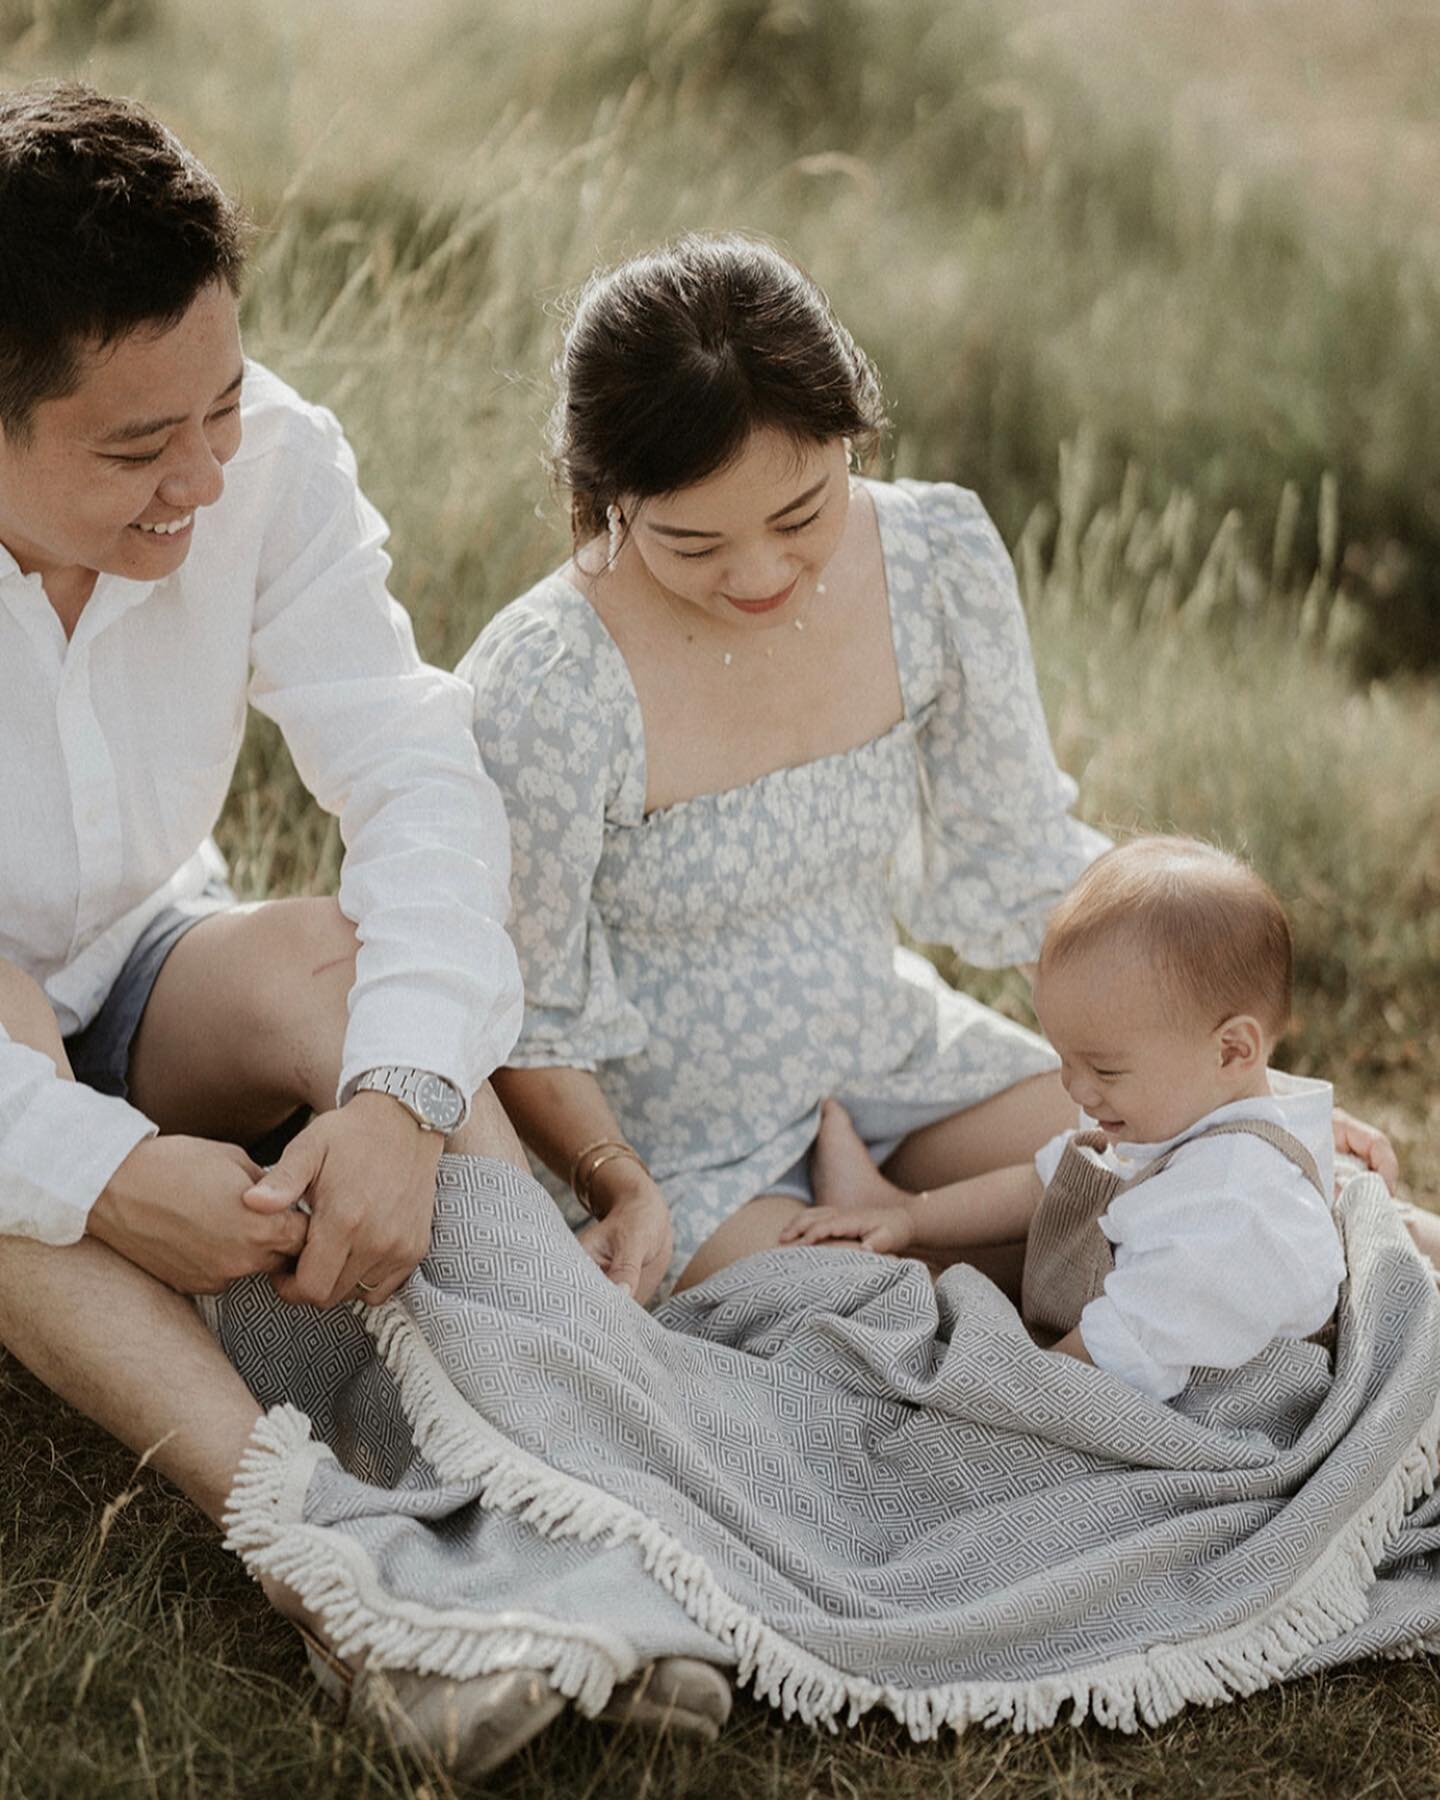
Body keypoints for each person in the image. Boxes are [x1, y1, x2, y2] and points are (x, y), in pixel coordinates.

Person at [0, 83, 721, 1775]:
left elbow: (414, 773)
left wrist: (399, 1094)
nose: (200, 476)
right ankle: (346, 1590)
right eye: (132, 447)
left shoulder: (268, 472)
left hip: (137, 965)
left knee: (348, 967)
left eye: (222, 407)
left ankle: (587, 1494)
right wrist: (94, 1173)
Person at [460, 233, 1397, 1304]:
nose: (761, 572)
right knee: (872, 1323)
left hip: (893, 1054)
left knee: (1225, 1187)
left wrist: (1234, 1088)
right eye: (693, 544)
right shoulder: (549, 684)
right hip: (675, 1147)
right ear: (607, 496)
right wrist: (617, 1181)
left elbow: (1018, 858)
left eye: (802, 512)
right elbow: (521, 1008)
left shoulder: (933, 563)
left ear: (853, 436)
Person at [781, 837, 1348, 1401]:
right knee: (980, 1255)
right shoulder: (1189, 1107)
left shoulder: (1229, 1212)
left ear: (1230, 1051)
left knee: (918, 1361)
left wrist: (980, 1394)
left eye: (1104, 1069)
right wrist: (909, 1217)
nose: (1074, 1087)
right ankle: (888, 1210)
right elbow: (1047, 1185)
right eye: (1064, 1059)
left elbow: (1089, 1369)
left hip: (1199, 1397)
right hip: (1121, 1334)